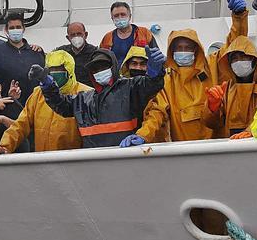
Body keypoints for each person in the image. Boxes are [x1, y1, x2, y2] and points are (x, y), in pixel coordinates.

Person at [135, 0, 250, 143]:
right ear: (172, 52)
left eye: (187, 47)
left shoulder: (212, 66)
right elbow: (157, 112)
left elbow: (235, 45)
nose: (183, 51)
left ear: (196, 50)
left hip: (219, 146)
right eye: (179, 48)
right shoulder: (166, 81)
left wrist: (239, 17)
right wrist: (143, 134)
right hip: (185, 150)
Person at [30, 46, 166, 148]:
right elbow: (60, 104)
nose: (99, 72)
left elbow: (150, 85)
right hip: (94, 162)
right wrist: (46, 83)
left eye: (104, 67)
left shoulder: (130, 88)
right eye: (95, 69)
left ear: (113, 67)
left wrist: (155, 72)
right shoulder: (83, 100)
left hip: (126, 156)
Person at [0, 50, 87, 154]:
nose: (54, 73)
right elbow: (21, 124)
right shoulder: (38, 94)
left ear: (69, 70)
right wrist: (5, 146)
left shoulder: (84, 94)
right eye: (51, 69)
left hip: (74, 162)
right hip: (43, 160)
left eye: (59, 69)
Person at [202, 3, 257, 138]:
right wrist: (212, 107)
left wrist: (251, 130)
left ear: (254, 59)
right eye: (234, 58)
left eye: (244, 56)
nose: (239, 61)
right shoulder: (226, 89)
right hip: (231, 146)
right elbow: (212, 124)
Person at [120, 46, 169, 143]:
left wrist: (143, 135)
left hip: (152, 142)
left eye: (143, 64)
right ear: (127, 66)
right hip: (125, 143)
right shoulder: (121, 88)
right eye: (134, 64)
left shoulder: (158, 88)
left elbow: (156, 113)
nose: (138, 68)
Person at [55, 21, 98, 87]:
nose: (76, 37)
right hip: (68, 92)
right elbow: (49, 60)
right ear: (68, 38)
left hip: (89, 92)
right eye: (72, 35)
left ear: (85, 35)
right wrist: (39, 49)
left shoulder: (95, 52)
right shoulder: (61, 52)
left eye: (79, 34)